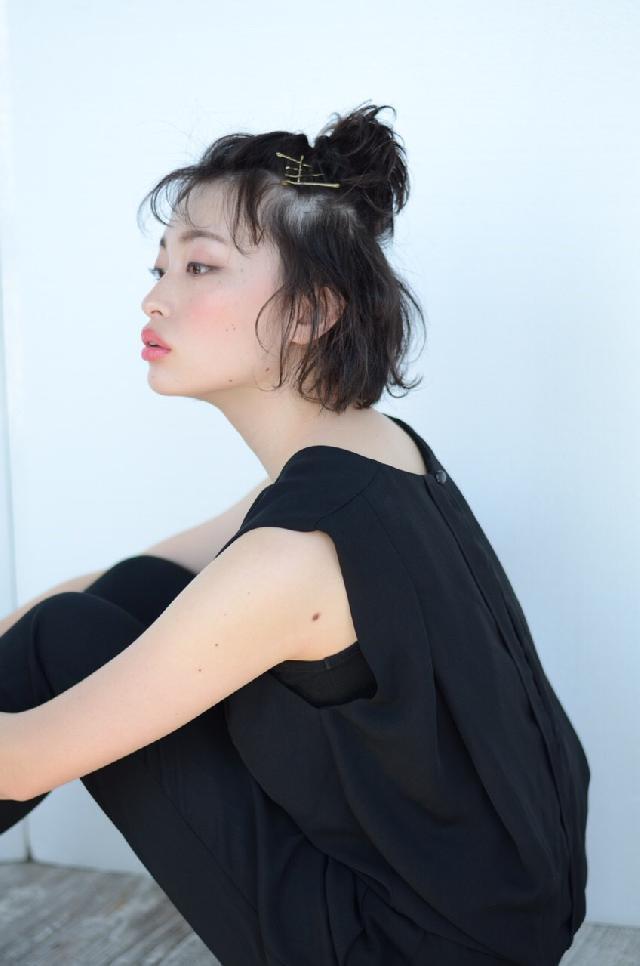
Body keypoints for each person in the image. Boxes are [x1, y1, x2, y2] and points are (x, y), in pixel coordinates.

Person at [0, 102, 590, 966]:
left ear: (312, 313)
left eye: (200, 266)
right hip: (501, 918)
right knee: (117, 600)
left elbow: (21, 761)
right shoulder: (372, 455)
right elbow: (123, 581)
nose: (154, 296)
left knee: (65, 640)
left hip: (405, 951)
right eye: (160, 265)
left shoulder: (292, 559)